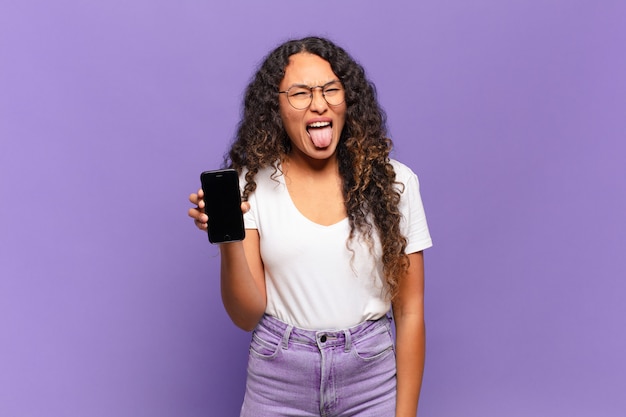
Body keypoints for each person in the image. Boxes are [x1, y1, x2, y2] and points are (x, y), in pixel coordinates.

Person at [188, 36, 432, 417]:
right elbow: (245, 315)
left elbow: (410, 311)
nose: (319, 103)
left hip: (370, 378)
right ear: (276, 108)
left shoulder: (394, 183)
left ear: (348, 99)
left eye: (331, 90)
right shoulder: (250, 185)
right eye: (300, 93)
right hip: (278, 378)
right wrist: (229, 240)